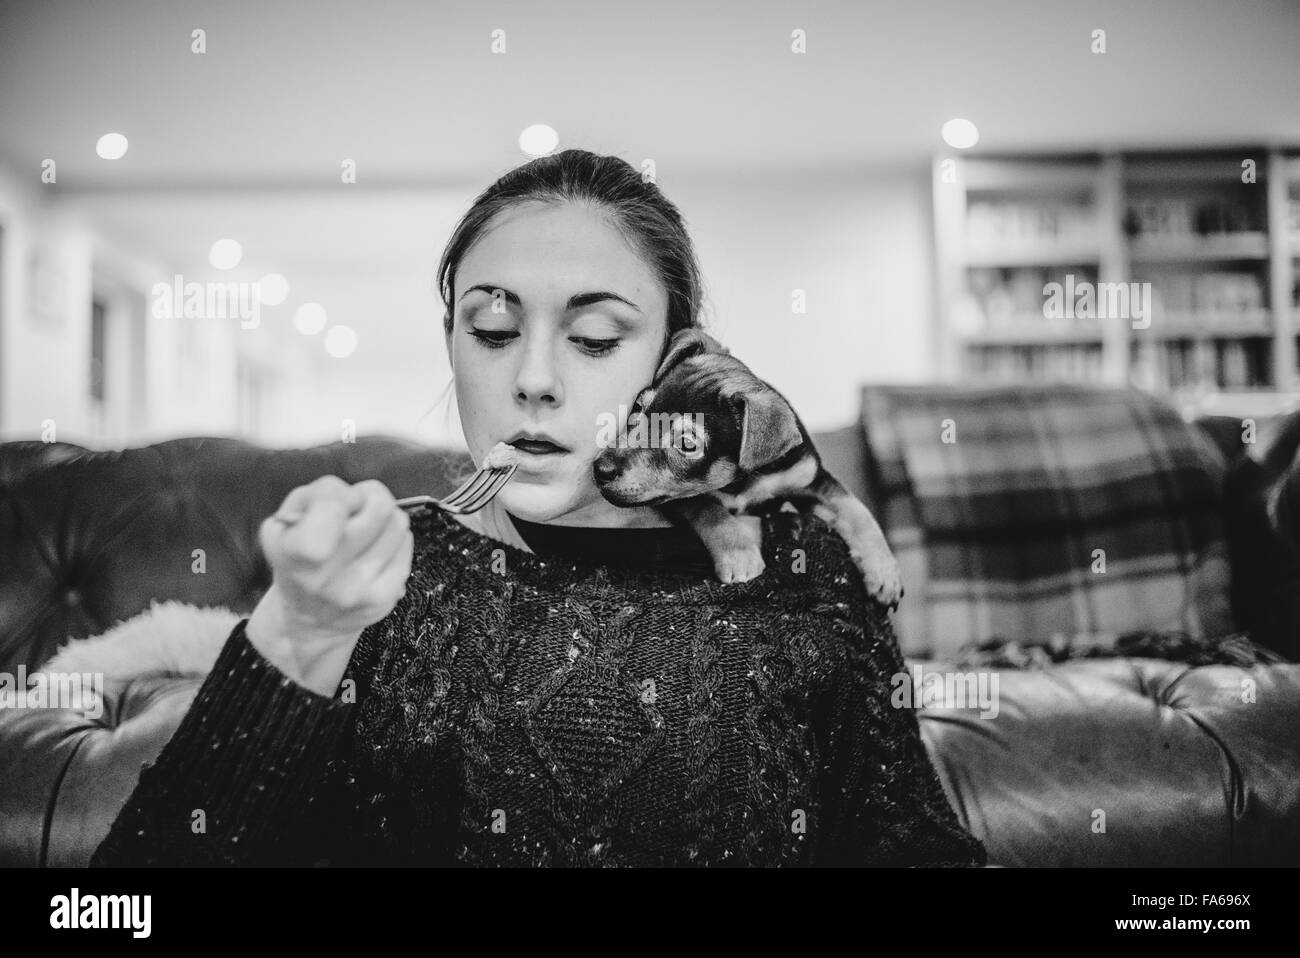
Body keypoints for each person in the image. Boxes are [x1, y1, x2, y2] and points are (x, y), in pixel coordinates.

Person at [90, 149, 988, 868]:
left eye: (595, 338)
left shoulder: (810, 565)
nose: (532, 379)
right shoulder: (379, 572)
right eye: (491, 329)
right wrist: (294, 638)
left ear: (674, 362)